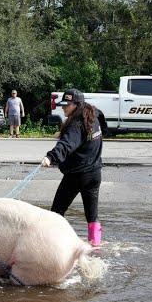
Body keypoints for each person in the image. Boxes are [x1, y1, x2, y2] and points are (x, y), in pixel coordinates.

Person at [41, 88, 103, 246]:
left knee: (56, 212)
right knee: (92, 215)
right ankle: (96, 246)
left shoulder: (76, 123)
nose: (63, 108)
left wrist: (50, 157)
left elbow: (67, 144)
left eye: (67, 105)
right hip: (94, 173)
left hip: (77, 175)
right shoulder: (93, 115)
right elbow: (83, 137)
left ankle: (53, 245)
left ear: (77, 105)